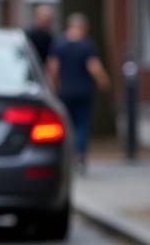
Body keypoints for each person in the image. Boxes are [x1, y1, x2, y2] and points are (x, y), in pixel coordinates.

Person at [46, 13, 110, 171]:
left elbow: (53, 67)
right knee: (82, 123)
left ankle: (70, 153)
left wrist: (52, 86)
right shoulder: (86, 45)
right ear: (84, 27)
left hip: (65, 91)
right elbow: (93, 66)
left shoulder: (59, 43)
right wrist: (104, 81)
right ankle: (80, 153)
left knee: (68, 124)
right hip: (83, 91)